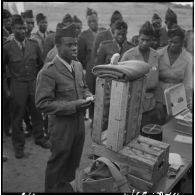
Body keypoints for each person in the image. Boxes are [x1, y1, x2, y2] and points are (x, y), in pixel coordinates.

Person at [35, 23, 93, 192]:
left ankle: (65, 187)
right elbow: (42, 103)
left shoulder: (77, 65)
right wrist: (75, 105)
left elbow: (83, 87)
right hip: (61, 127)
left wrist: (88, 95)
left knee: (73, 161)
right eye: (69, 45)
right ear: (58, 46)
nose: (75, 48)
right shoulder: (48, 71)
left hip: (78, 125)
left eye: (75, 43)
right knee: (57, 162)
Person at [3, 15, 50, 159]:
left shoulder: (33, 45)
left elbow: (41, 66)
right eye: (19, 28)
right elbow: (2, 72)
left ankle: (40, 138)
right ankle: (19, 147)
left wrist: (40, 84)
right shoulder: (6, 48)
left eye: (24, 28)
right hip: (17, 85)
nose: (22, 31)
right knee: (17, 118)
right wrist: (6, 90)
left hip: (33, 84)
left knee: (37, 113)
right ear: (12, 29)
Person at [121, 21, 165, 128]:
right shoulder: (128, 55)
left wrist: (159, 103)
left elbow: (158, 81)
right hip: (131, 106)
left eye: (148, 40)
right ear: (138, 38)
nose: (145, 43)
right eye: (142, 40)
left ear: (152, 40)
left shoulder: (156, 56)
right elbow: (120, 81)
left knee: (149, 136)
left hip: (150, 107)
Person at [96, 20, 134, 130]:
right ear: (113, 33)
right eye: (119, 34)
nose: (121, 37)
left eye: (124, 34)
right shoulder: (104, 47)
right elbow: (98, 68)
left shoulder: (131, 48)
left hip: (125, 89)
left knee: (121, 118)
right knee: (105, 117)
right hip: (108, 89)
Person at [85, 10, 123, 120]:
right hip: (96, 72)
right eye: (116, 24)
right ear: (111, 25)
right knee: (96, 99)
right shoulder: (101, 36)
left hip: (113, 78)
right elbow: (93, 60)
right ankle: (94, 121)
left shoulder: (121, 36)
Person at [156, 24, 192, 114]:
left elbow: (188, 84)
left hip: (177, 97)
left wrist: (188, 104)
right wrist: (157, 101)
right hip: (158, 97)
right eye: (170, 41)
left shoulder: (188, 59)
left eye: (175, 42)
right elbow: (153, 79)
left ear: (182, 43)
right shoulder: (158, 54)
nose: (172, 45)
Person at [3, 9, 12, 137]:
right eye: (6, 21)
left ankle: (7, 126)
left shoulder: (9, 32)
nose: (9, 22)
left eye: (10, 20)